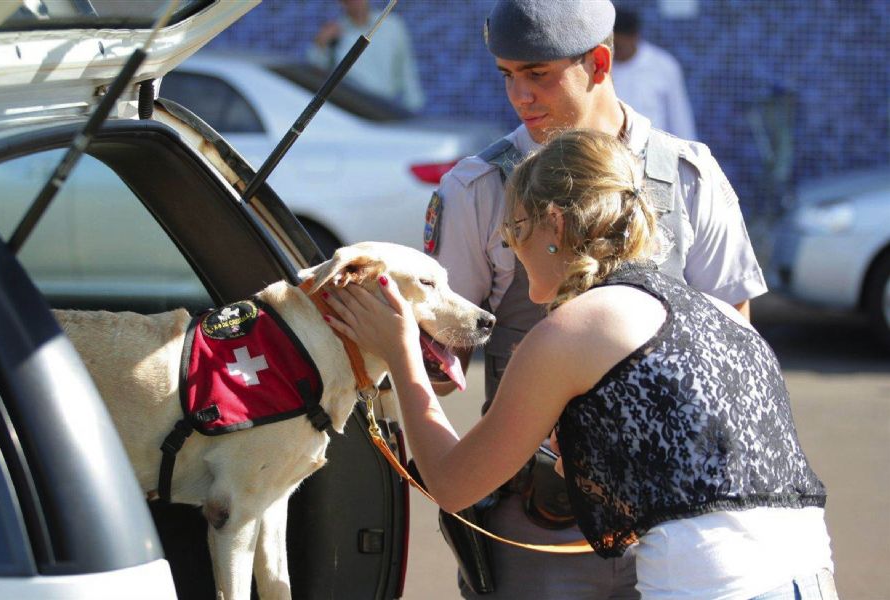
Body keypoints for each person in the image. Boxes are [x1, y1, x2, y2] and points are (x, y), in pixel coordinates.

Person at [324, 129, 837, 600]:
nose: (510, 247)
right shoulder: (718, 312)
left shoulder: (576, 327)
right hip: (809, 573)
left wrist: (401, 352)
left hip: (710, 584)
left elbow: (454, 483)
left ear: (555, 224)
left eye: (514, 228)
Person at [420, 0, 768, 597]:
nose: (519, 96)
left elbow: (734, 338)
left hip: (674, 515)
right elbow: (440, 355)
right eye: (507, 75)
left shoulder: (687, 176)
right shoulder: (478, 189)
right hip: (538, 522)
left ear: (600, 63)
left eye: (539, 75)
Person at [306, 0, 425, 112]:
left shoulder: (392, 26)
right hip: (351, 108)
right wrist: (320, 44)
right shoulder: (335, 32)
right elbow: (317, 74)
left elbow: (406, 68)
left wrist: (414, 106)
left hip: (385, 106)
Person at [611, 8, 697, 140]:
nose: (616, 51)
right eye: (612, 46)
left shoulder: (663, 66)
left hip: (653, 153)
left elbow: (679, 118)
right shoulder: (599, 65)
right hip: (611, 152)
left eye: (619, 46)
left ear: (635, 37)